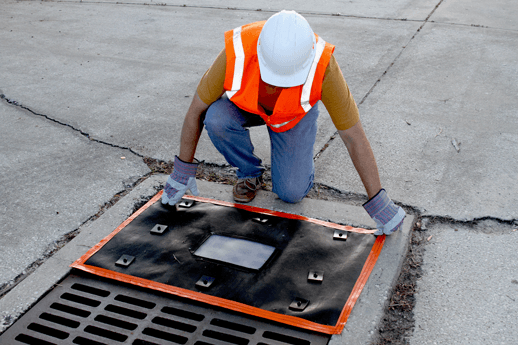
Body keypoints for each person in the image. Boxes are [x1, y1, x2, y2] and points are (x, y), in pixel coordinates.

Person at [162, 10, 405, 235]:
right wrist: (182, 172)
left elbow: (353, 136)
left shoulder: (324, 66)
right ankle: (249, 173)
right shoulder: (238, 51)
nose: (278, 85)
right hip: (247, 107)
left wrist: (378, 201)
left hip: (293, 116)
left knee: (291, 192)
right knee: (216, 118)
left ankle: (296, 160)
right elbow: (196, 111)